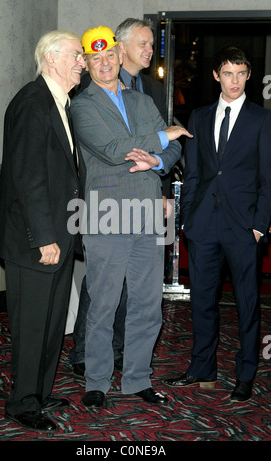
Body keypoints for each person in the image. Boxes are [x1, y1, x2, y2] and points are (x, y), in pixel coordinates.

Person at [70, 25, 192, 408]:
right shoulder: (82, 104)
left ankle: (137, 378)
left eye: (110, 57)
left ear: (119, 57)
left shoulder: (141, 102)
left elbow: (172, 152)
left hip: (148, 214)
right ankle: (97, 380)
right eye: (96, 58)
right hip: (107, 216)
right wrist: (162, 138)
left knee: (146, 303)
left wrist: (157, 157)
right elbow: (111, 148)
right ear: (87, 63)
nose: (104, 64)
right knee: (104, 303)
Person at [0, 30, 86, 432]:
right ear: (51, 59)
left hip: (58, 237)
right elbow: (28, 179)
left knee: (50, 321)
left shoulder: (58, 102)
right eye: (76, 55)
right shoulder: (32, 102)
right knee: (31, 324)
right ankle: (22, 402)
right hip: (35, 241)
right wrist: (44, 237)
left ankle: (40, 392)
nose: (82, 61)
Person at [164, 45, 271, 402]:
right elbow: (193, 172)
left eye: (241, 73)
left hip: (244, 228)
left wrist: (259, 225)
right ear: (216, 76)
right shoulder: (199, 116)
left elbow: (268, 178)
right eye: (228, 73)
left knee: (247, 303)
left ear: (249, 76)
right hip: (203, 225)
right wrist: (187, 219)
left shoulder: (262, 119)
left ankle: (245, 374)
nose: (235, 80)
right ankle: (202, 368)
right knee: (202, 301)